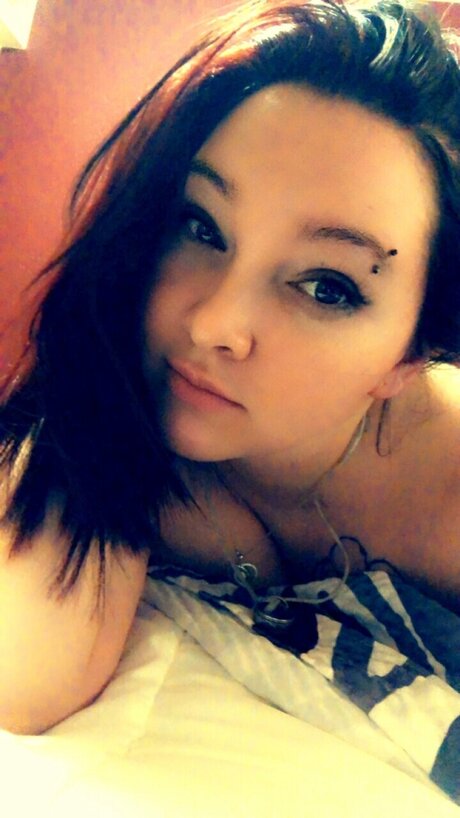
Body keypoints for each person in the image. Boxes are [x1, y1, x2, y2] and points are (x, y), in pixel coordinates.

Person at [0, 0, 459, 734]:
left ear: (412, 354)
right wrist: (94, 404)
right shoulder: (131, 406)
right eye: (200, 225)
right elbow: (26, 682)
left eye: (327, 287)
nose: (212, 324)